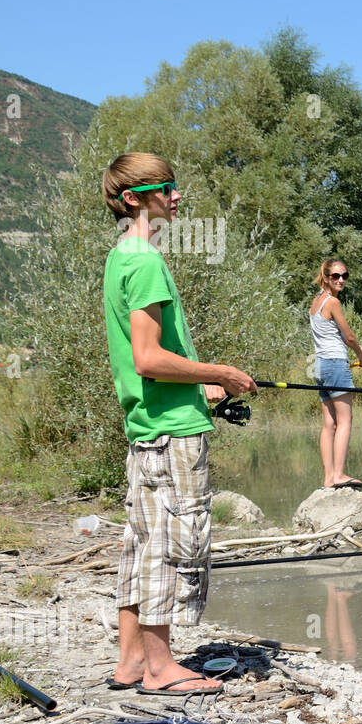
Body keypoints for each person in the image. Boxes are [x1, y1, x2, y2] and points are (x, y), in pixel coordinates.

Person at [101, 152, 257, 695]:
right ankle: (163, 670)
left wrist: (200, 385)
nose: (177, 196)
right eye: (167, 187)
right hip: (172, 434)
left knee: (140, 542)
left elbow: (150, 361)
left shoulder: (121, 256)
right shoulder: (145, 260)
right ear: (133, 199)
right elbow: (147, 358)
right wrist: (222, 372)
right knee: (172, 543)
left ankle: (131, 663)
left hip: (149, 426)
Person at [310, 259, 362, 489]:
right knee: (345, 420)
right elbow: (349, 337)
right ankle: (338, 474)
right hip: (336, 365)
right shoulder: (333, 302)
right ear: (326, 277)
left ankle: (329, 478)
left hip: (320, 367)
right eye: (336, 276)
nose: (341, 280)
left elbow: (333, 335)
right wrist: (360, 357)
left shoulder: (316, 302)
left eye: (344, 276)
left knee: (329, 423)